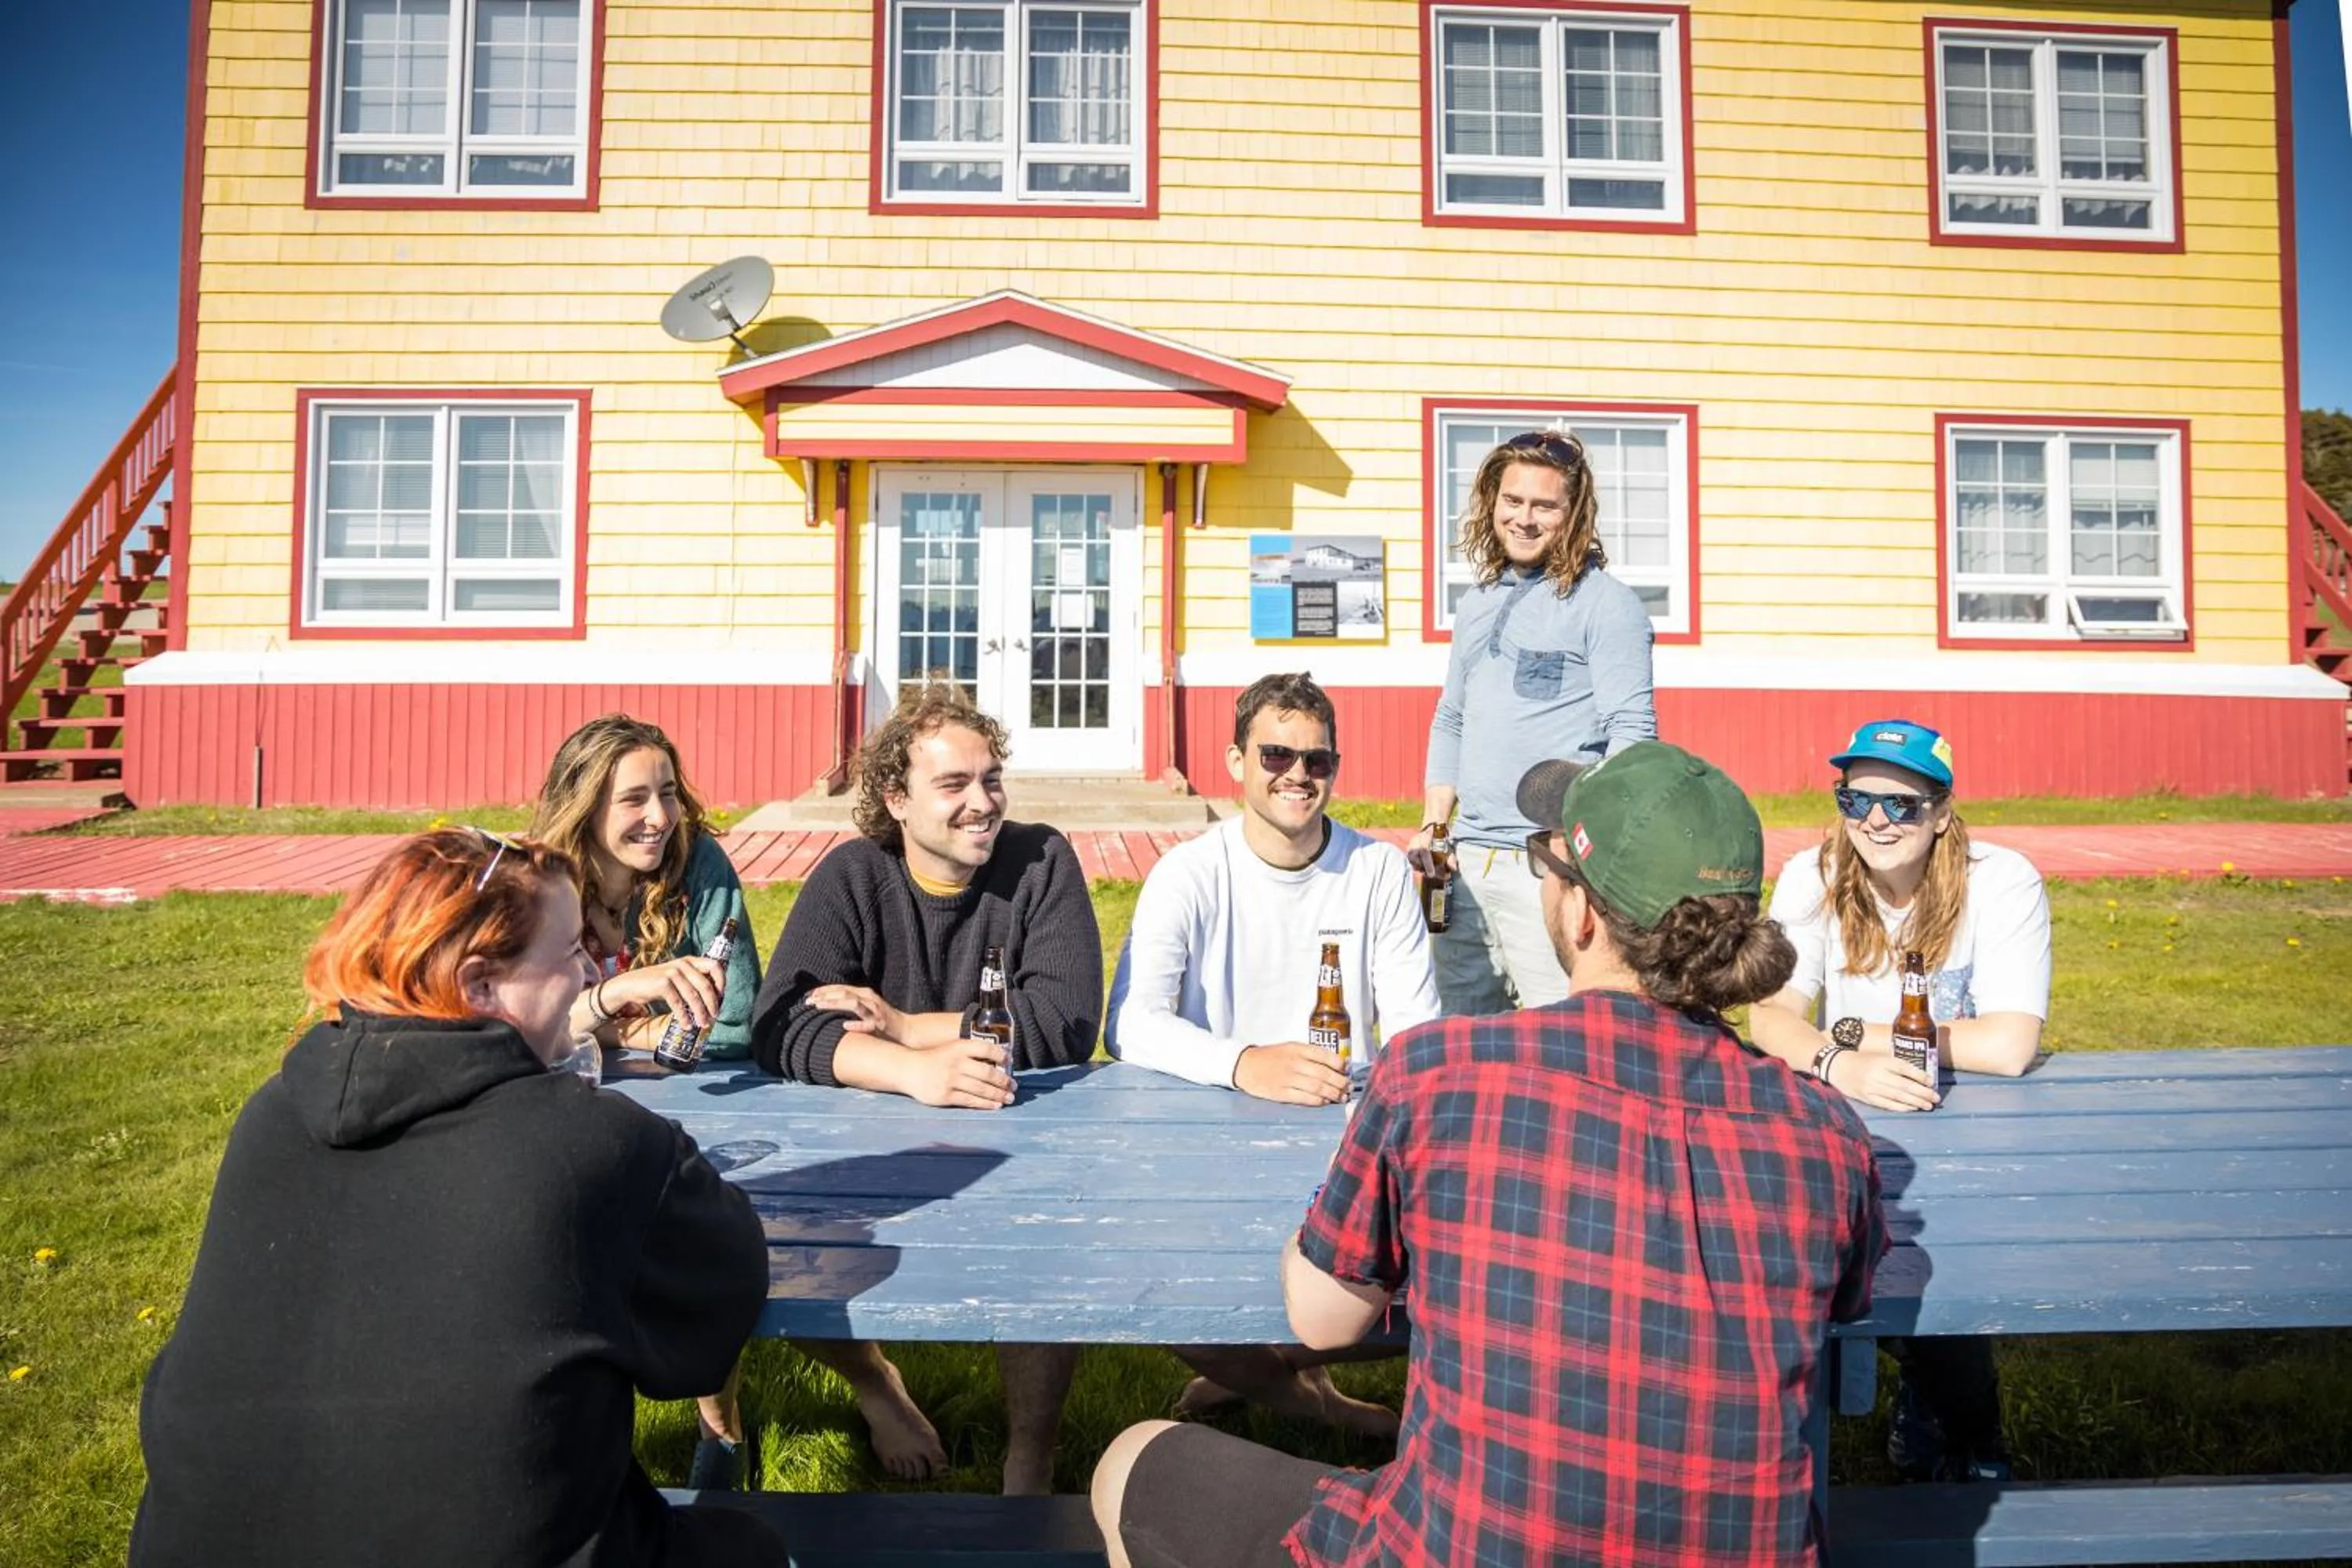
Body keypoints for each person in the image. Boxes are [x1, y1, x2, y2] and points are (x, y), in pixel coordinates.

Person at [1091, 742, 1888, 1568]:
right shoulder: (1825, 1130)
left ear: (1581, 914)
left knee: (1129, 1460)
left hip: (1463, 1545)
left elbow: (1323, 1316)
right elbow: (1844, 1302)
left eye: (1549, 861)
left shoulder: (1445, 1072)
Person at [132, 829, 782, 1567]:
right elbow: (711, 1323)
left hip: (205, 1545)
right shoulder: (598, 1143)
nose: (587, 975)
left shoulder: (272, 1113)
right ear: (477, 985)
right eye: (570, 952)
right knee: (753, 1546)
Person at [750, 682, 1102, 1494]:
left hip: (1018, 1126)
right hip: (872, 1133)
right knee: (755, 1223)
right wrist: (913, 1073)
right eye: (954, 785)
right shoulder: (854, 876)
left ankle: (1029, 1451)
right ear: (896, 797)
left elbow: (1063, 1019)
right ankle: (874, 1379)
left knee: (1044, 1238)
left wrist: (905, 1027)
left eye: (991, 779)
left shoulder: (1040, 859)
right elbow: (779, 1022)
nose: (983, 802)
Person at [1107, 670, 1437, 1438]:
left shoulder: (1377, 870)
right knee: (1150, 1288)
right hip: (1203, 1145)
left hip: (1339, 1140)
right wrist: (1244, 1061)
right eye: (1277, 755)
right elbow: (1130, 1024)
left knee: (1434, 1276)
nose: (1297, 774)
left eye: (1316, 760)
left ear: (1336, 768)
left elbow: (1418, 1034)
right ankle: (1311, 1402)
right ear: (1235, 760)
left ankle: (1262, 1369)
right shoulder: (1189, 870)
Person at [1750, 717, 2051, 1483]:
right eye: (1857, 800)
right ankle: (1796, 1437)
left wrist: (1853, 1031)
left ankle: (1967, 1428)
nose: (1876, 821)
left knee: (1945, 1263)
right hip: (1846, 1112)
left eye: (1902, 803)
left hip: (1969, 1120)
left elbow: (2011, 1045)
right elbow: (1768, 1016)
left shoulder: (2001, 878)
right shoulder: (1812, 873)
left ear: (1943, 811)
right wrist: (1836, 1060)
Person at [532, 712, 765, 1490]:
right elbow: (515, 1033)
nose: (660, 816)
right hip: (558, 1117)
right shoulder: (539, 887)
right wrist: (616, 1002)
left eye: (668, 791)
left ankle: (722, 1424)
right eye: (634, 798)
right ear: (585, 806)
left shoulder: (701, 868)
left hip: (697, 1110)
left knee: (706, 1229)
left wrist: (590, 1030)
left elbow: (733, 1023)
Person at [1412, 426, 1657, 1018]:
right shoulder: (1476, 603)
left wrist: (1585, 854)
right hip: (1463, 866)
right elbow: (1452, 718)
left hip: (1544, 866)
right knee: (1463, 1034)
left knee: (1558, 1034)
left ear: (1573, 514)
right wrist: (1433, 827)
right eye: (1512, 501)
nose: (1524, 518)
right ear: (1491, 504)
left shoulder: (1607, 603)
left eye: (1544, 505)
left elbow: (1632, 734)